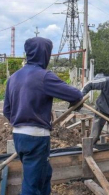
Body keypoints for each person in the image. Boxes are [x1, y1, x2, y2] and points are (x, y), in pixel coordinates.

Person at [3, 37, 83, 195]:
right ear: (45, 54)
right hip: (36, 138)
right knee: (32, 185)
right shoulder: (44, 76)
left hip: (19, 136)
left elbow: (6, 110)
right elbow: (75, 94)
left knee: (44, 175)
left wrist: (21, 120)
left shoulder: (13, 78)